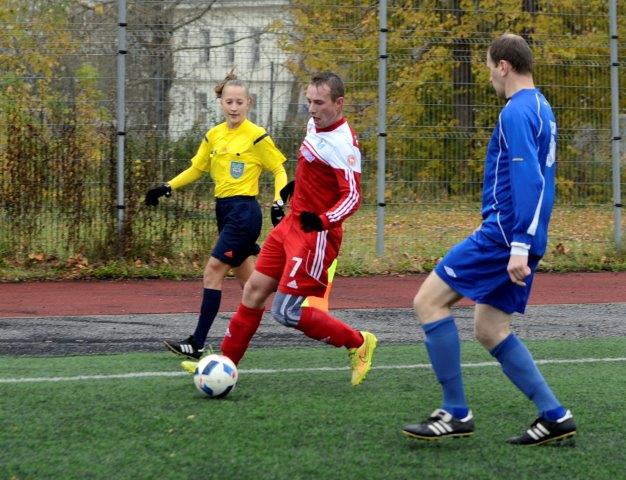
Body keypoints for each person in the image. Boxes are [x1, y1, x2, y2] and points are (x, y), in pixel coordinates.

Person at [402, 34, 576, 445]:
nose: (489, 77)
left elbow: (530, 180)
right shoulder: (542, 106)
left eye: (488, 68)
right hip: (520, 234)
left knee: (427, 302)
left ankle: (455, 411)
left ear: (503, 66)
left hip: (502, 235)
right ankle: (554, 415)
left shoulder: (516, 111)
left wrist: (519, 244)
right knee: (490, 328)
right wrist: (530, 239)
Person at [216, 72, 377, 386]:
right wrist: (295, 186)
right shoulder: (315, 124)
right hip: (292, 222)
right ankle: (223, 367)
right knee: (253, 290)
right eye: (309, 101)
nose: (312, 109)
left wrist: (322, 221)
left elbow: (353, 197)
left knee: (285, 313)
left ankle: (359, 342)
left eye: (319, 103)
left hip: (315, 235)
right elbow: (315, 169)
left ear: (339, 103)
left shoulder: (343, 143)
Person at [145, 71, 288, 360]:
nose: (234, 107)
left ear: (249, 103)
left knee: (212, 271)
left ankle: (196, 343)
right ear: (221, 103)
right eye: (229, 102)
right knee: (253, 288)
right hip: (224, 212)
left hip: (244, 213)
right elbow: (197, 168)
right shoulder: (213, 135)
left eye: (239, 102)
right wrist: (167, 186)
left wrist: (278, 201)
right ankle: (293, 292)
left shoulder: (257, 136)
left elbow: (279, 169)